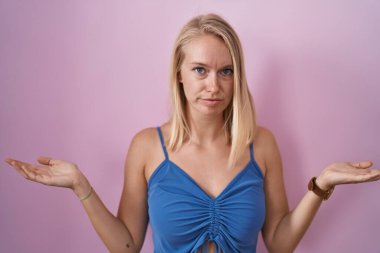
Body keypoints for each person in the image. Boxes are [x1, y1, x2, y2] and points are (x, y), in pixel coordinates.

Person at [5, 13, 380, 253]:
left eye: (225, 71)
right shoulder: (146, 147)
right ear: (179, 75)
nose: (213, 85)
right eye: (200, 70)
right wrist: (79, 186)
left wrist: (322, 184)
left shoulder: (261, 144)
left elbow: (280, 243)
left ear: (237, 78)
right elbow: (127, 245)